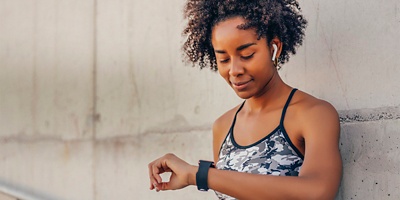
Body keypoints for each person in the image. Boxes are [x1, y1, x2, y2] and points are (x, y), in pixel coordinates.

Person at [148, 0, 342, 199]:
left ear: (274, 47)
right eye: (223, 59)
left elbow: (318, 191)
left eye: (247, 55)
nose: (234, 70)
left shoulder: (312, 114)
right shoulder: (223, 126)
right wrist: (197, 175)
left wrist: (199, 175)